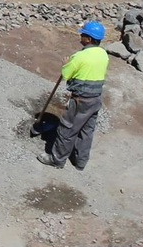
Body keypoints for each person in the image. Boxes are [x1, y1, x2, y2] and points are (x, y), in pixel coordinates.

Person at [39, 20, 109, 171]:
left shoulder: (79, 56)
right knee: (87, 130)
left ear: (88, 39)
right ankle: (80, 161)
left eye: (83, 34)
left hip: (80, 101)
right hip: (96, 99)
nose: (80, 36)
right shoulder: (103, 54)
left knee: (67, 130)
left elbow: (66, 74)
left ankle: (57, 159)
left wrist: (66, 64)